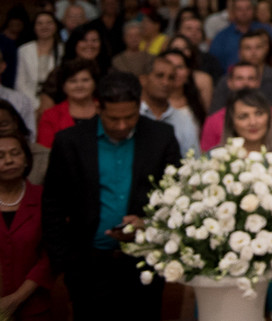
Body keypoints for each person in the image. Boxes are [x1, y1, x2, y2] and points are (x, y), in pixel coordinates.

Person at [41, 71, 181, 321]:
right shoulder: (70, 141)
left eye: (130, 117)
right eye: (113, 118)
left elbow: (177, 198)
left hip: (143, 263)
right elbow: (53, 205)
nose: (122, 125)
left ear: (139, 106)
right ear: (97, 106)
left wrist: (147, 224)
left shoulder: (162, 137)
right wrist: (62, 263)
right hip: (88, 265)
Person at [0, 132, 53, 319]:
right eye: (1, 156)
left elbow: (50, 256)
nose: (9, 160)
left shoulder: (43, 198)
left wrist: (16, 298)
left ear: (26, 159)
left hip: (34, 306)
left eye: (15, 153)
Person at [209, 31, 272, 139]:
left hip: (270, 138)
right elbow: (214, 115)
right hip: (231, 141)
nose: (253, 52)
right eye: (248, 48)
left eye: (258, 47)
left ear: (266, 49)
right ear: (240, 52)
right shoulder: (226, 81)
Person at [199, 62, 272, 151]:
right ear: (229, 82)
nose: (245, 83)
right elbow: (206, 155)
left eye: (251, 78)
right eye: (239, 78)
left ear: (258, 82)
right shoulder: (213, 120)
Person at [208, 0, 272, 71]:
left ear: (253, 10)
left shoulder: (267, 30)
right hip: (232, 80)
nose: (244, 12)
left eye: (248, 8)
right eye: (239, 9)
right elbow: (214, 66)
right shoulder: (221, 37)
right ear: (233, 11)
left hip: (266, 79)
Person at [139, 56, 199, 156]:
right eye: (159, 76)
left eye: (171, 78)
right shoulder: (133, 115)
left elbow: (193, 162)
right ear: (143, 79)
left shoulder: (184, 120)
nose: (165, 82)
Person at [36, 59, 99, 149]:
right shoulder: (50, 116)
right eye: (73, 81)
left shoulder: (106, 109)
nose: (79, 85)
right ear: (63, 86)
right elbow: (44, 152)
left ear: (94, 83)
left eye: (85, 80)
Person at [15, 12, 61, 105]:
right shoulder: (24, 50)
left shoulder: (63, 50)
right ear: (34, 27)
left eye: (49, 23)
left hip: (56, 102)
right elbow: (20, 83)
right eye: (39, 23)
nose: (44, 26)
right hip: (28, 102)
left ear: (55, 26)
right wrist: (35, 104)